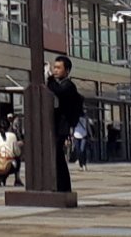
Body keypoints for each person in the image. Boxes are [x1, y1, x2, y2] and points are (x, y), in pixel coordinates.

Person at [46, 55, 83, 195]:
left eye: (58, 68)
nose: (55, 70)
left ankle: (63, 187)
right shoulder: (60, 84)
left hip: (62, 127)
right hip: (56, 126)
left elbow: (58, 92)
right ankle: (61, 186)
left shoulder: (68, 85)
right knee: (57, 157)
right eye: (54, 67)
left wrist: (49, 78)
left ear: (66, 71)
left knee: (57, 156)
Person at [0, 121, 22, 187]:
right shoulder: (13, 136)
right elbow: (17, 152)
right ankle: (17, 179)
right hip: (7, 166)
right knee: (17, 159)